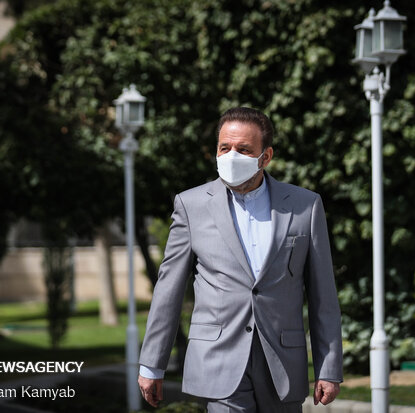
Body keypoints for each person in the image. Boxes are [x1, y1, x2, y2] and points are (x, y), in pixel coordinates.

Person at [138, 107, 343, 412]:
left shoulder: (305, 206)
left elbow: (323, 294)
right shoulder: (191, 205)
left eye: (244, 149)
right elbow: (169, 288)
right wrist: (152, 364)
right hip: (218, 358)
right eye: (225, 148)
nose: (232, 155)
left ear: (266, 156)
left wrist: (329, 367)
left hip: (282, 363)